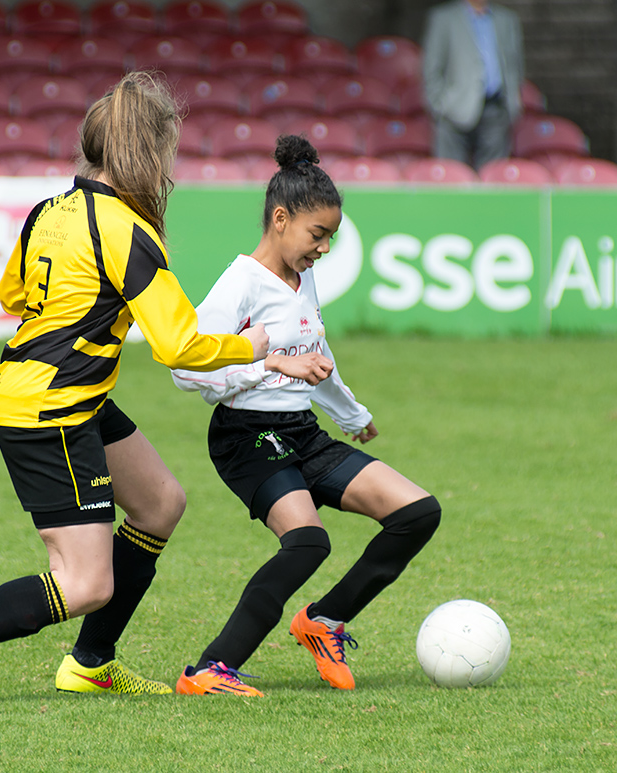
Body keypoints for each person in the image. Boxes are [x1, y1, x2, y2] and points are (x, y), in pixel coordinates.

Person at [0, 71, 269, 706]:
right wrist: (257, 345)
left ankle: (91, 662)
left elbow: (13, 294)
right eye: (166, 150)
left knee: (161, 502)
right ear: (146, 152)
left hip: (64, 395)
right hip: (50, 408)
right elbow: (180, 345)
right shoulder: (128, 230)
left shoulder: (48, 211)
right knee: (85, 584)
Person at [171, 135, 441, 696]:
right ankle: (208, 670)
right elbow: (187, 368)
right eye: (317, 235)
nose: (322, 248)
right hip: (247, 436)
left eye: (329, 239)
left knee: (418, 512)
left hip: (302, 433)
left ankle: (324, 622)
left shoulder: (305, 275)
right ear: (280, 218)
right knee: (309, 542)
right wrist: (265, 364)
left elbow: (316, 356)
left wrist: (351, 414)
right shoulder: (241, 283)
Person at [422, 0, 524, 171]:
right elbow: (431, 68)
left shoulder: (507, 19)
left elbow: (515, 65)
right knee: (452, 177)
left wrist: (512, 101)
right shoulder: (444, 18)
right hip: (453, 111)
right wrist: (440, 105)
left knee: (494, 179)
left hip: (495, 108)